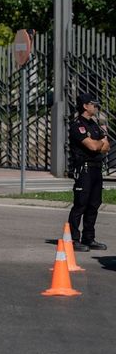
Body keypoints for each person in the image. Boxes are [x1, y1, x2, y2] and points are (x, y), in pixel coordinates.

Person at [68, 91, 110, 252]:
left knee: (94, 205)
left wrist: (98, 143)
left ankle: (89, 237)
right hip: (84, 168)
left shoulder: (94, 124)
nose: (96, 107)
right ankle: (73, 238)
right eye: (93, 104)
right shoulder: (78, 125)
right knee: (80, 204)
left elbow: (106, 147)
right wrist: (99, 143)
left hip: (96, 169)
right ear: (85, 106)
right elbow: (93, 146)